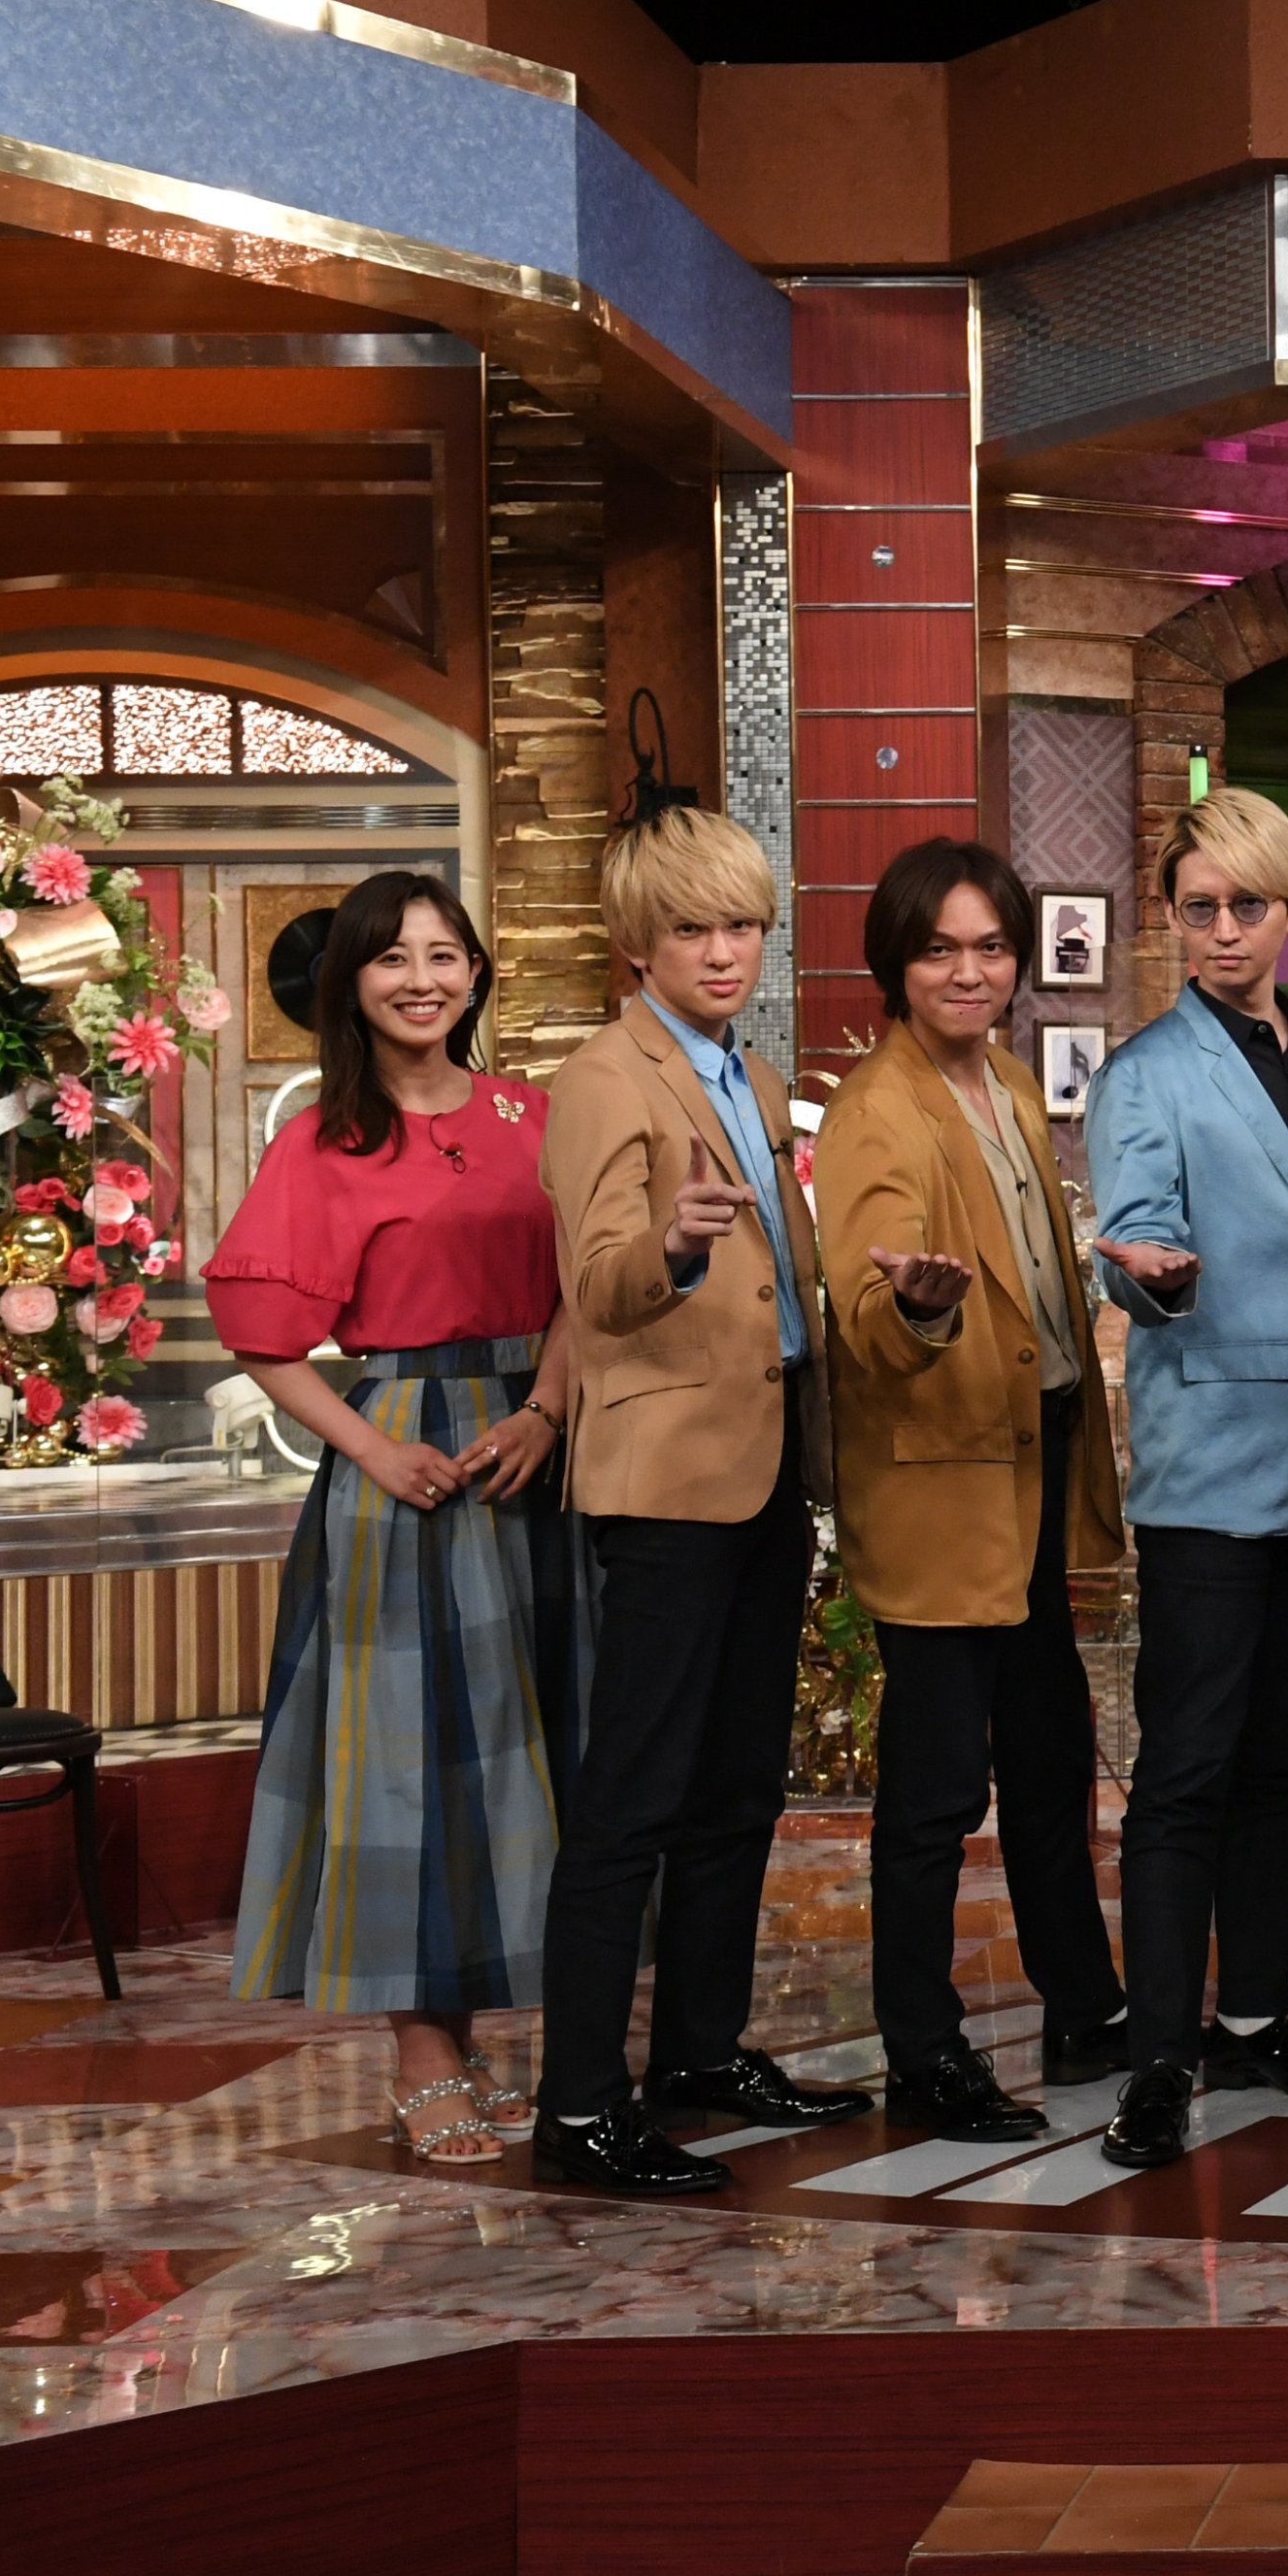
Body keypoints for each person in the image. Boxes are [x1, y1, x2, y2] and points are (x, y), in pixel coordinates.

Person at [213, 873, 583, 2166]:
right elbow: (263, 1334)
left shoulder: (536, 1115)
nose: (421, 979)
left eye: (443, 954)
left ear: (476, 972)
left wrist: (545, 1410)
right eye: (392, 959)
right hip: (407, 1470)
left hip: (537, 1457)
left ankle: (478, 2025)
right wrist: (375, 1450)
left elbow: (583, 1286)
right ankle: (422, 2047)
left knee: (524, 1753)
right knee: (414, 1766)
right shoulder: (323, 1140)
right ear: (352, 985)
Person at [532, 804, 866, 2192]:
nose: (724, 950)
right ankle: (577, 2106)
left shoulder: (751, 1072)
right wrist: (668, 1247)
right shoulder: (603, 1079)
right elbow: (596, 1284)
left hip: (768, 1470)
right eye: (691, 928)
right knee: (633, 1799)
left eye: (741, 924)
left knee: (737, 1791)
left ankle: (700, 2054)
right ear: (637, 941)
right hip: (666, 1485)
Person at [1082, 789, 1288, 2170]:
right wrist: (1146, 1272)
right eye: (1199, 907)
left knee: (1285, 1763)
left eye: (1246, 905)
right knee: (1186, 1769)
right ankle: (1160, 2055)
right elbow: (1139, 1230)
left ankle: (1258, 2015)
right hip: (1211, 1466)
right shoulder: (1145, 1072)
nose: (1223, 929)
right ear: (1172, 917)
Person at [816, 838, 1128, 2140]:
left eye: (991, 946)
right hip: (944, 1487)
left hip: (1031, 1465)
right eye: (940, 948)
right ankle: (924, 2047)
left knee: (1051, 1760)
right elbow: (867, 1312)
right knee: (937, 1792)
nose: (969, 970)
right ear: (896, 961)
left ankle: (1085, 2003)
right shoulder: (875, 1109)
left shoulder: (1002, 1078)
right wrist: (918, 1309)